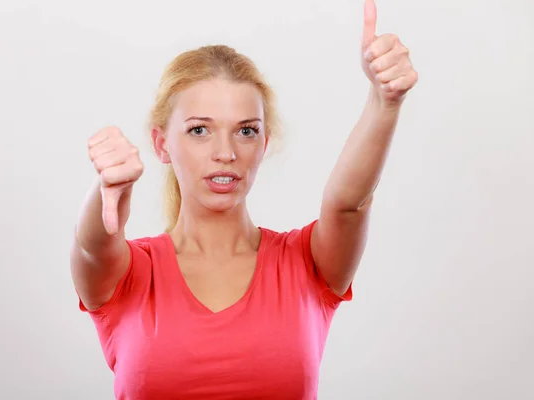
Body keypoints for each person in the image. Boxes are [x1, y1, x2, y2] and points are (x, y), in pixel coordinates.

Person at [70, 1, 417, 398]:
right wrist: (107, 189)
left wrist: (385, 102)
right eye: (200, 130)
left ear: (264, 143)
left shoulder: (307, 263)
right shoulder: (129, 274)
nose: (226, 152)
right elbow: (91, 246)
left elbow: (348, 204)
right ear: (161, 143)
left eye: (246, 131)